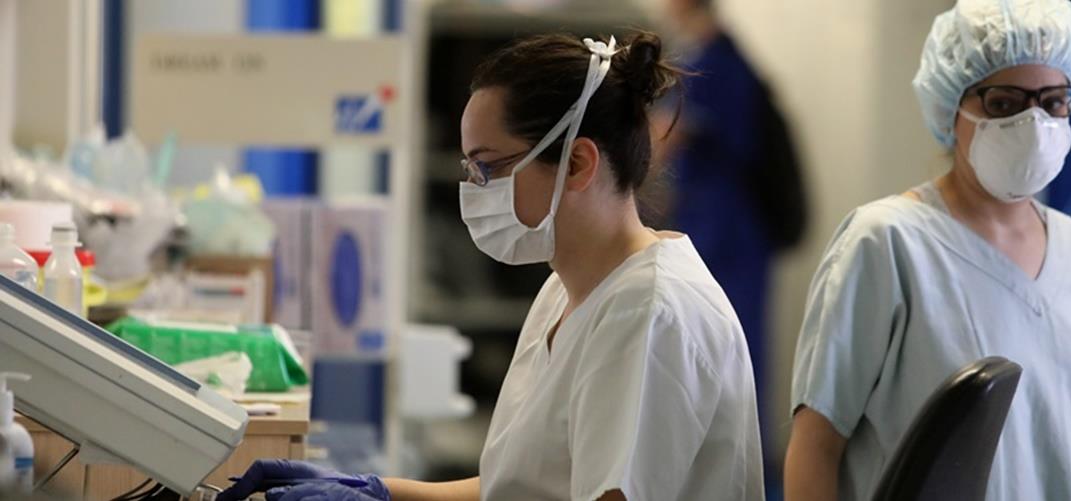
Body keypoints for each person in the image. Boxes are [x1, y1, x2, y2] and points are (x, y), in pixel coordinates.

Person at [219, 32, 764, 501]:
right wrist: (383, 491)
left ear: (577, 163)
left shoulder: (649, 313)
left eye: (486, 168)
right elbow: (521, 487)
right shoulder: (568, 288)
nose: (473, 189)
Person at [783, 1, 1071, 500]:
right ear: (951, 107)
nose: (1033, 123)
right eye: (1004, 103)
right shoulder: (887, 244)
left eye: (1054, 101)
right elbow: (817, 446)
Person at [654, 0, 780, 407]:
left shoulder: (712, 64)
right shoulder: (723, 58)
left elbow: (665, 138)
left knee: (723, 349)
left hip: (725, 229)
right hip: (726, 223)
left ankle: (735, 448)